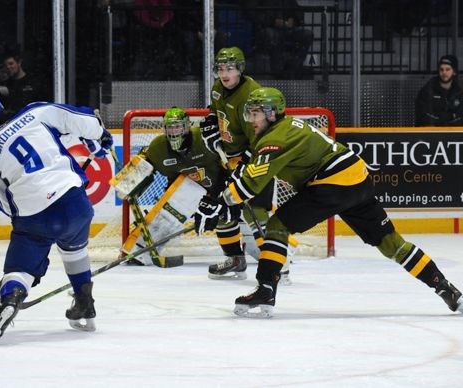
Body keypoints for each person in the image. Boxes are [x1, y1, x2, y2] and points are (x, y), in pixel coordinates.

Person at [195, 87, 463, 318]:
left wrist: (220, 204)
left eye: (254, 113)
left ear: (271, 113)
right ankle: (445, 288)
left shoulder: (276, 139)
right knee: (392, 244)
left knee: (277, 226)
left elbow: (249, 185)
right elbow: (246, 165)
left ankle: (265, 290)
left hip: (333, 184)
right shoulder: (282, 130)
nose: (250, 119)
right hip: (358, 180)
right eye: (248, 113)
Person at [0, 98, 113, 342]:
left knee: (20, 268)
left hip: (35, 215)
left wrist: (25, 227)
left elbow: (2, 201)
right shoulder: (35, 112)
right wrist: (101, 134)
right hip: (75, 202)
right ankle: (85, 303)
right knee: (75, 249)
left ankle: (12, 296)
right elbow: (83, 119)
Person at [200, 47, 295, 281]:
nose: (224, 73)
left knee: (257, 213)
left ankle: (277, 264)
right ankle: (235, 259)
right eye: (220, 68)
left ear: (240, 69)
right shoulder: (217, 88)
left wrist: (243, 165)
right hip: (228, 160)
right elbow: (214, 112)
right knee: (222, 208)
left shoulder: (252, 94)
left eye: (229, 68)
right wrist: (211, 125)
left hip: (256, 160)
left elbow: (260, 136)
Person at [118, 107, 247, 278]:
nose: (173, 132)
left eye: (177, 127)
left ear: (187, 126)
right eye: (170, 127)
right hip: (187, 197)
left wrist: (220, 194)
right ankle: (138, 250)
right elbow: (145, 162)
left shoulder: (204, 140)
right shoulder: (158, 147)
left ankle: (271, 252)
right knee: (176, 201)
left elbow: (230, 162)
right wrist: (128, 182)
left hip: (220, 189)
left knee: (243, 217)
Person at [415, 54, 463, 126]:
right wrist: (447, 118)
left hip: (453, 134)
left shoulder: (459, 92)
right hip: (430, 134)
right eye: (441, 69)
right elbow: (423, 116)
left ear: (454, 72)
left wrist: (445, 120)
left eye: (447, 69)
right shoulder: (428, 90)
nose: (444, 72)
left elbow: (460, 117)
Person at [0, 50, 44, 114]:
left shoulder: (33, 82)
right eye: (5, 65)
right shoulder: (5, 84)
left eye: (11, 64)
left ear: (19, 63)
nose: (8, 67)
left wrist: (10, 93)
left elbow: (31, 103)